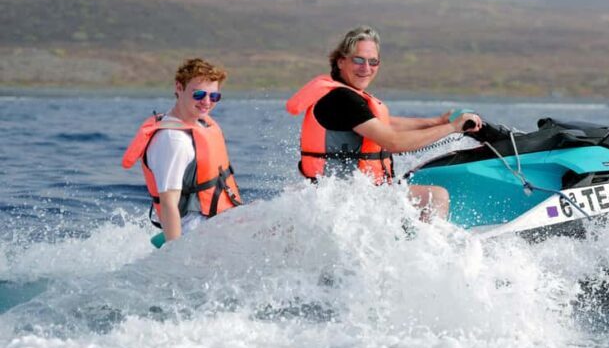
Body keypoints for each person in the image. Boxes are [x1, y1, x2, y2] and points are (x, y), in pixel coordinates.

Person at [286, 26, 481, 221]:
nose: (366, 68)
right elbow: (393, 141)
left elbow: (388, 125)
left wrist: (438, 121)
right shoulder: (342, 99)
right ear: (341, 62)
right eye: (358, 60)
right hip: (347, 198)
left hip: (343, 195)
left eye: (373, 62)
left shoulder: (344, 96)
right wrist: (453, 127)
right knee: (436, 197)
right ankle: (422, 250)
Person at [122, 58, 242, 243]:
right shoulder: (174, 140)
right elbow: (168, 202)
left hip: (217, 220)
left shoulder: (199, 124)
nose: (207, 102)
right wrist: (174, 254)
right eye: (199, 94)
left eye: (214, 96)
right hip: (196, 232)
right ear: (179, 88)